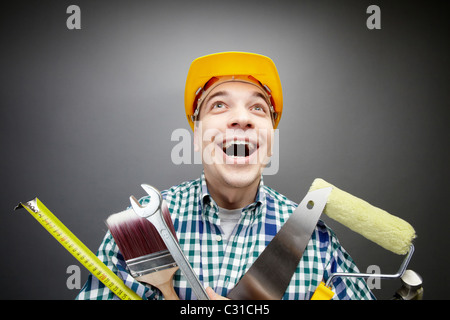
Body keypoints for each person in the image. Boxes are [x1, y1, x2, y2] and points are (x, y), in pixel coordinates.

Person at [76, 52, 374, 300]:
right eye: (219, 104)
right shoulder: (143, 226)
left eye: (258, 107)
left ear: (270, 139)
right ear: (196, 135)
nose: (242, 118)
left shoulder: (317, 243)